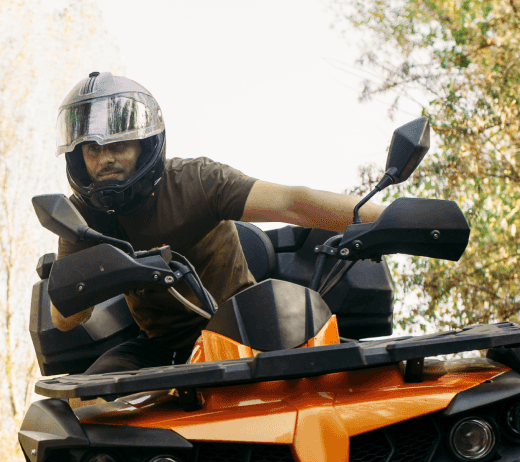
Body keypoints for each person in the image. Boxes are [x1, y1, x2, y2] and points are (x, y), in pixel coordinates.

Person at [51, 71, 386, 373]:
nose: (105, 159)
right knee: (84, 406)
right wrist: (97, 273)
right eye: (91, 149)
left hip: (247, 325)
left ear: (144, 144)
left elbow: (293, 202)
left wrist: (391, 218)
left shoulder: (195, 181)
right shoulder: (80, 219)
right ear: (77, 158)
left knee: (370, 374)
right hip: (163, 347)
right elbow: (64, 320)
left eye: (118, 144)